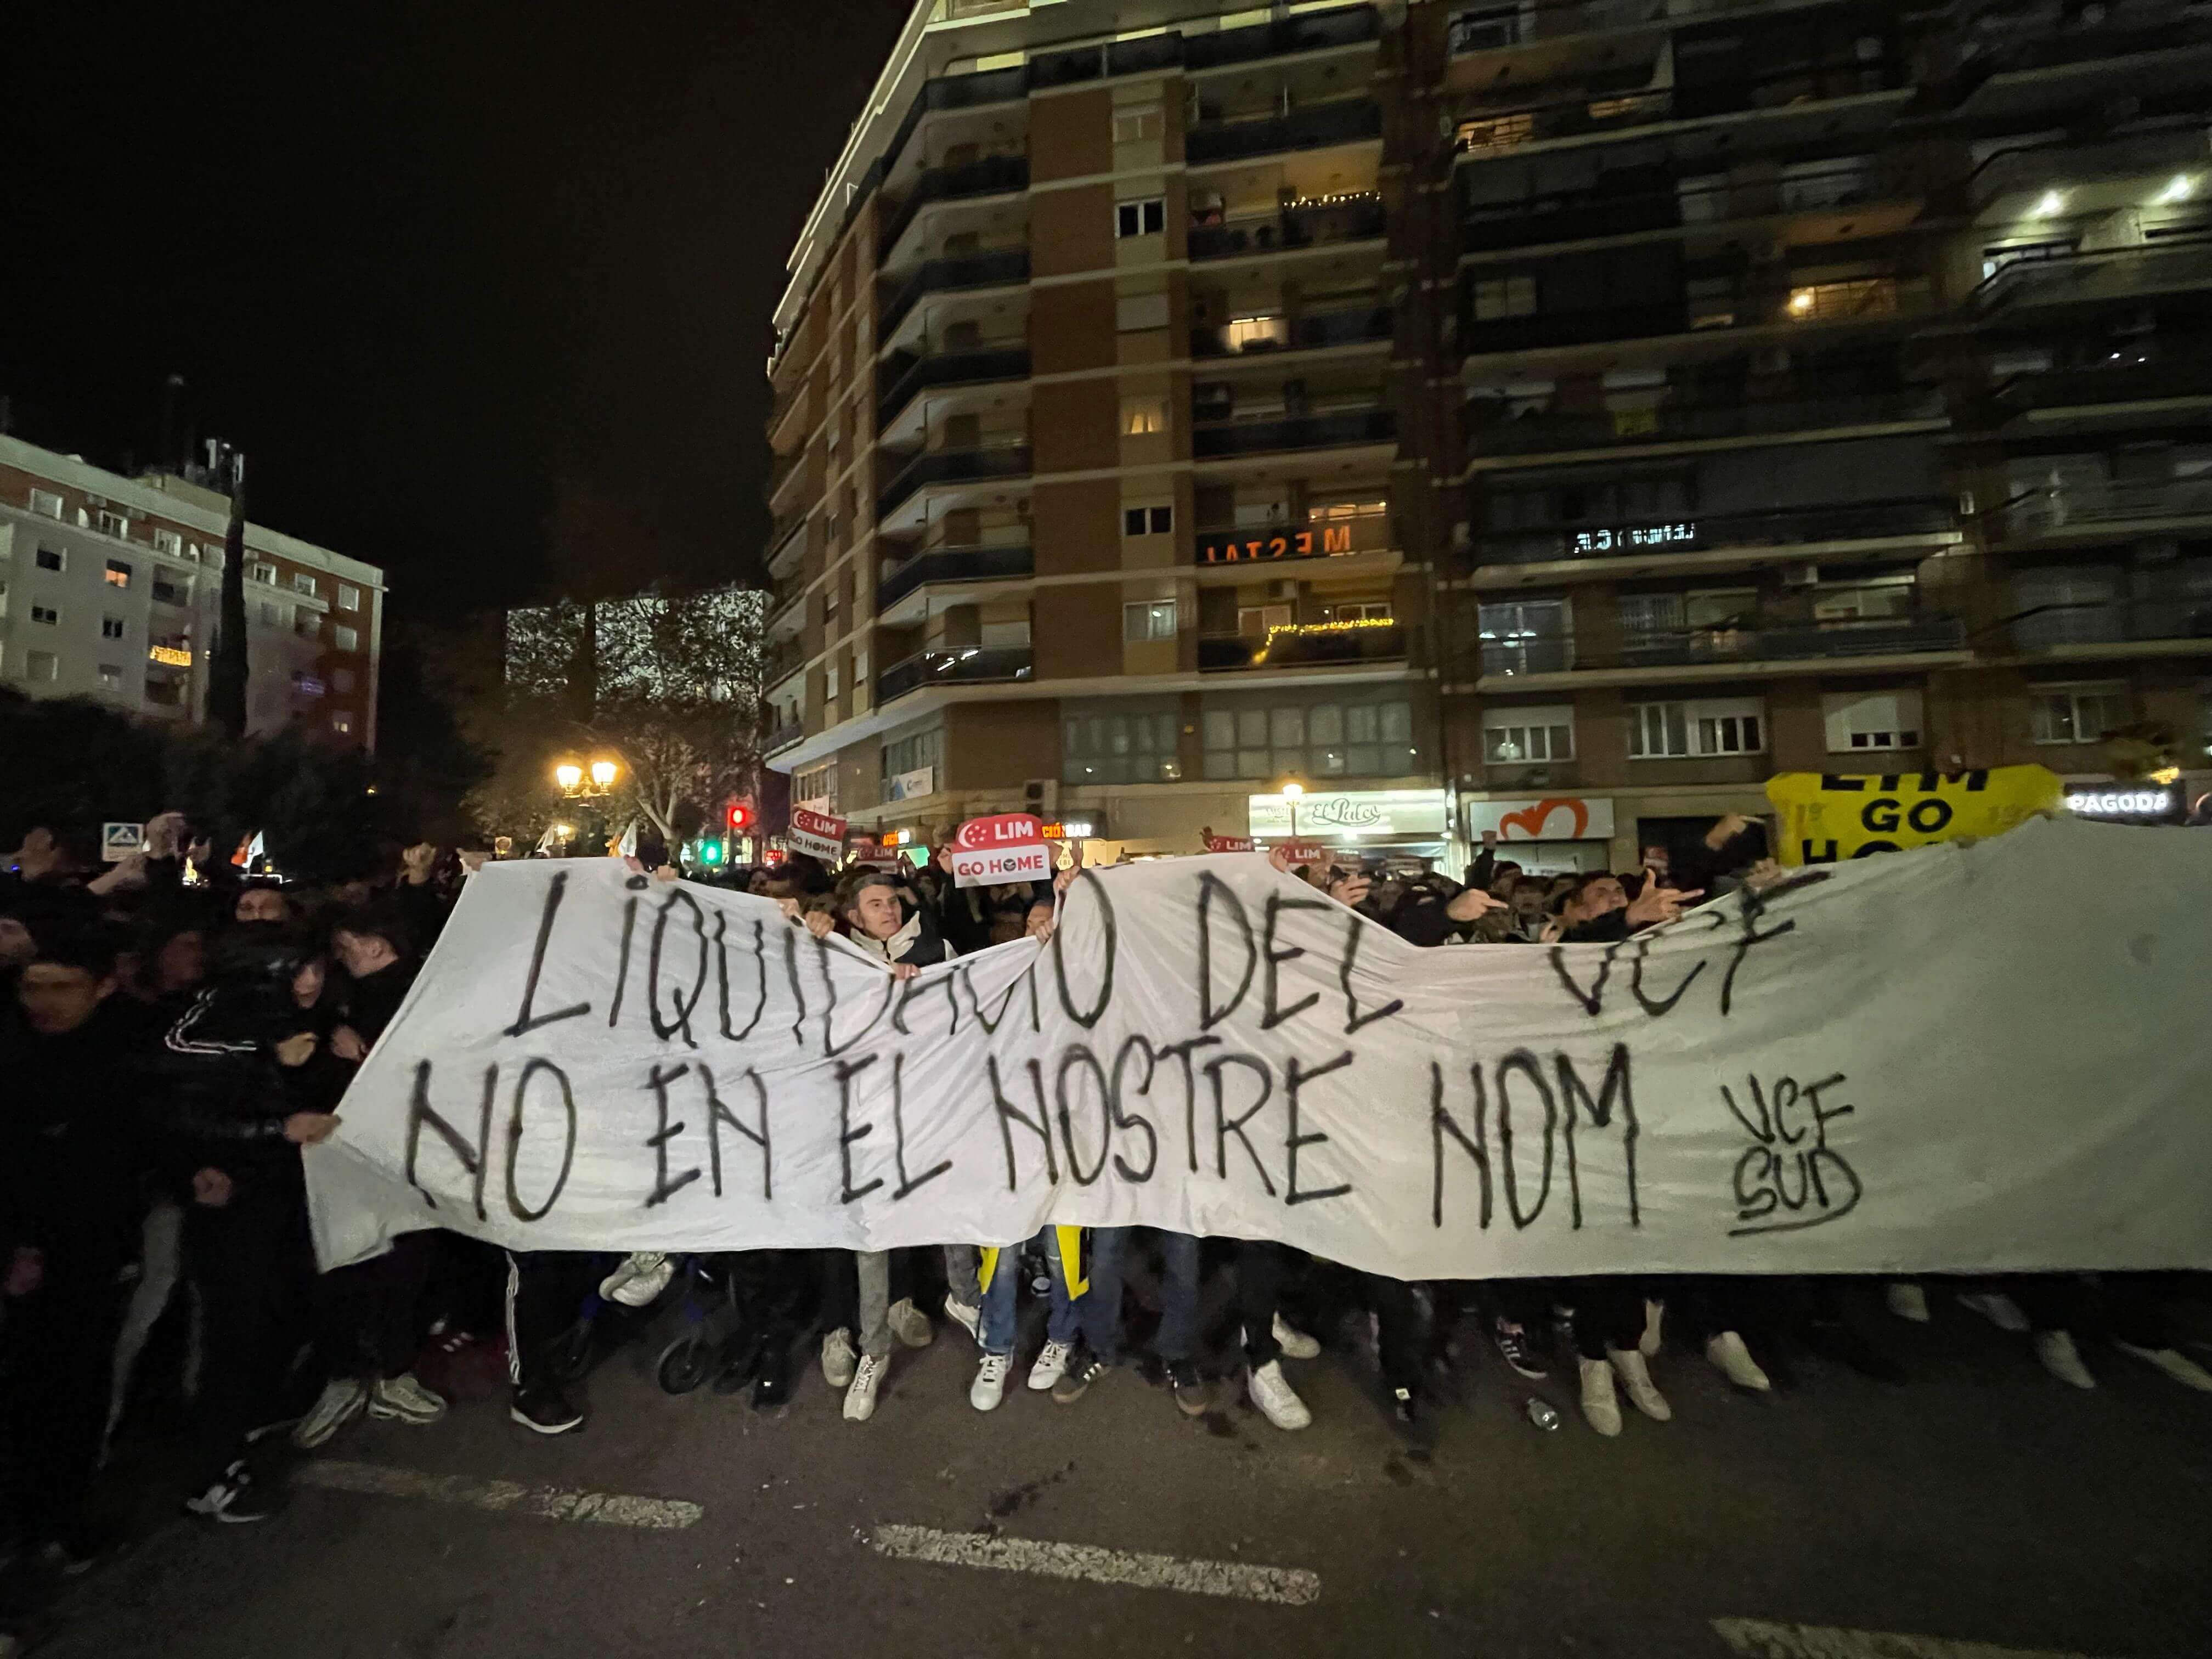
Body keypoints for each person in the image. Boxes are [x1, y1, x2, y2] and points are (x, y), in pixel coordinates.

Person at [2, 926, 194, 1565]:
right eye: (33, 987)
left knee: (76, 1388)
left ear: (103, 987)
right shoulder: (15, 1055)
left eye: (63, 988)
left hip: (91, 1251)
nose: (44, 1002)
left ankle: (58, 1517)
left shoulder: (123, 1056)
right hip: (24, 1254)